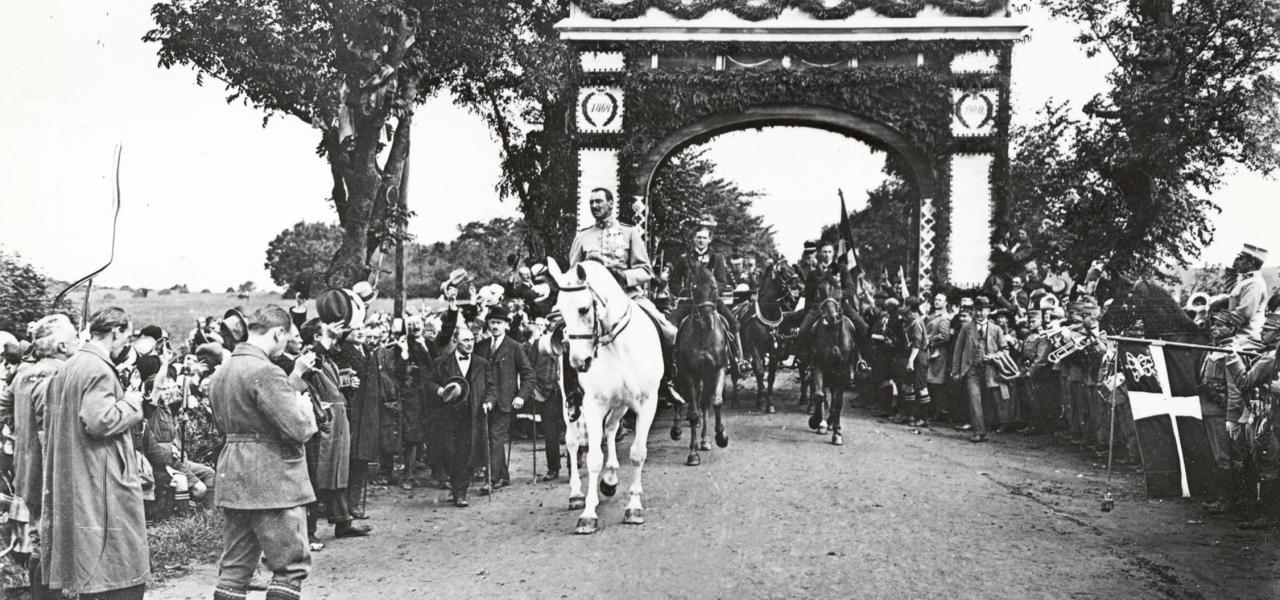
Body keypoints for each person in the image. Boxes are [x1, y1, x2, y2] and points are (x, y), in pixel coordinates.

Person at [208, 305, 320, 600]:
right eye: (287, 337)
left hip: (234, 474)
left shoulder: (223, 370)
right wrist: (306, 411)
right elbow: (298, 428)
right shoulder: (266, 371)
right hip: (273, 477)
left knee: (235, 569)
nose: (286, 345)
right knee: (289, 568)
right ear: (277, 333)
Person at [41, 307, 149, 599]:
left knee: (89, 557)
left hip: (79, 475)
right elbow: (99, 422)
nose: (127, 343)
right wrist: (131, 403)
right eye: (127, 336)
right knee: (116, 567)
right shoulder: (99, 368)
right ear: (116, 332)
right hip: (101, 479)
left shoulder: (71, 365)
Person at [567, 187, 683, 407]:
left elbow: (646, 270)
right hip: (591, 301)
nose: (595, 206)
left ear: (611, 204)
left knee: (667, 330)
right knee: (566, 335)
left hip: (629, 297)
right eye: (591, 202)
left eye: (599, 202)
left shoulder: (629, 233)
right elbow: (573, 273)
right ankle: (574, 389)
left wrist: (625, 276)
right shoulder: (583, 236)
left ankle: (666, 381)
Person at [0, 314, 77, 599]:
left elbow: (3, 407)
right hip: (46, 474)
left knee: (36, 537)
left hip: (25, 470)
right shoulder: (56, 375)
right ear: (61, 346)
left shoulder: (22, 374)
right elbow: (49, 433)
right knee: (48, 543)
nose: (78, 344)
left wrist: (20, 437)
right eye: (74, 339)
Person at [298, 319, 371, 539]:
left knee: (339, 471)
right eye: (326, 333)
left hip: (339, 418)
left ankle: (343, 521)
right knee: (320, 473)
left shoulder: (327, 358)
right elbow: (313, 362)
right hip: (325, 420)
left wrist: (346, 387)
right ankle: (309, 531)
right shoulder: (309, 355)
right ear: (316, 337)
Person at [424, 327, 495, 507]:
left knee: (466, 453)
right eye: (465, 340)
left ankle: (460, 492)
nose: (470, 344)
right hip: (448, 415)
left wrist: (488, 402)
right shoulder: (442, 362)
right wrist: (439, 390)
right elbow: (429, 382)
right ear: (455, 341)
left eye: (472, 340)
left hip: (472, 416)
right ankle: (455, 486)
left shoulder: (482, 363)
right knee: (449, 452)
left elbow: (491, 387)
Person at [667, 226, 746, 375]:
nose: (701, 240)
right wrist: (683, 292)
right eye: (698, 237)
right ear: (694, 239)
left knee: (734, 323)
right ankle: (671, 362)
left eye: (704, 238)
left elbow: (722, 281)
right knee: (670, 324)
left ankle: (738, 360)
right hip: (689, 302)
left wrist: (712, 292)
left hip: (711, 301)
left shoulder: (717, 258)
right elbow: (674, 282)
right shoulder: (684, 259)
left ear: (709, 239)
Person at [473, 305, 534, 493]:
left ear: (506, 325)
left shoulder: (514, 347)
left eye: (499, 323)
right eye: (492, 323)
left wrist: (521, 396)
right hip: (484, 401)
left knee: (495, 438)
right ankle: (503, 475)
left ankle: (490, 479)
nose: (495, 326)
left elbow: (529, 374)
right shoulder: (481, 346)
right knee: (489, 438)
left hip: (506, 402)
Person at [951, 297, 1006, 443]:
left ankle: (984, 429)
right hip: (971, 369)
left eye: (983, 310)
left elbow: (1004, 350)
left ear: (988, 311)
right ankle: (978, 432)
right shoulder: (967, 327)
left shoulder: (996, 329)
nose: (980, 313)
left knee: (987, 401)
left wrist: (994, 356)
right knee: (974, 399)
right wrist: (956, 371)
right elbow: (958, 350)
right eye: (977, 310)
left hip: (990, 370)